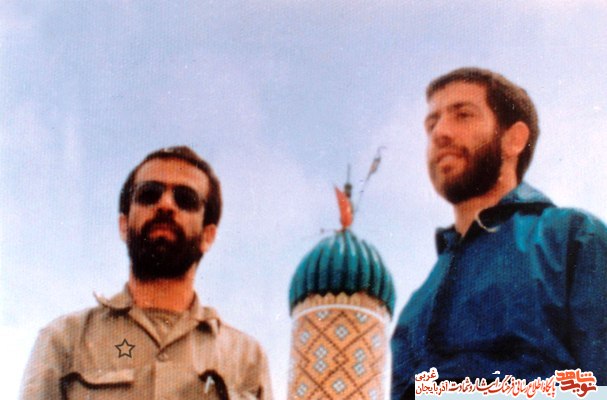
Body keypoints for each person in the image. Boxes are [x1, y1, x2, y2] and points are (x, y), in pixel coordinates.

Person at [391, 68, 607, 399]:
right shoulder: (416, 308)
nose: (440, 133)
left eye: (463, 115)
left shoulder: (573, 240)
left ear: (513, 139)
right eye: (432, 124)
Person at [20, 146, 273, 400]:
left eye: (186, 199)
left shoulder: (247, 359)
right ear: (123, 225)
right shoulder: (65, 340)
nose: (165, 204)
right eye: (149, 194)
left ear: (208, 236)